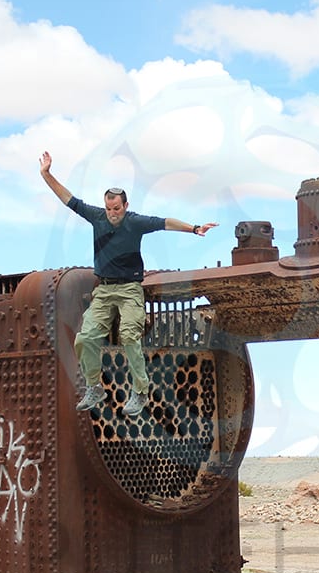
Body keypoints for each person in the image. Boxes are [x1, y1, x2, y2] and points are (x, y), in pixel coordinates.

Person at [40, 150, 217, 415]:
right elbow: (68, 199)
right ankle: (94, 387)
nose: (112, 213)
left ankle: (140, 391)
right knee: (85, 338)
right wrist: (46, 174)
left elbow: (165, 222)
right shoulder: (97, 217)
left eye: (117, 208)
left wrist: (193, 228)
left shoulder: (135, 222)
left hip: (130, 289)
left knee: (129, 335)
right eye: (109, 208)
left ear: (125, 205)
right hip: (104, 290)